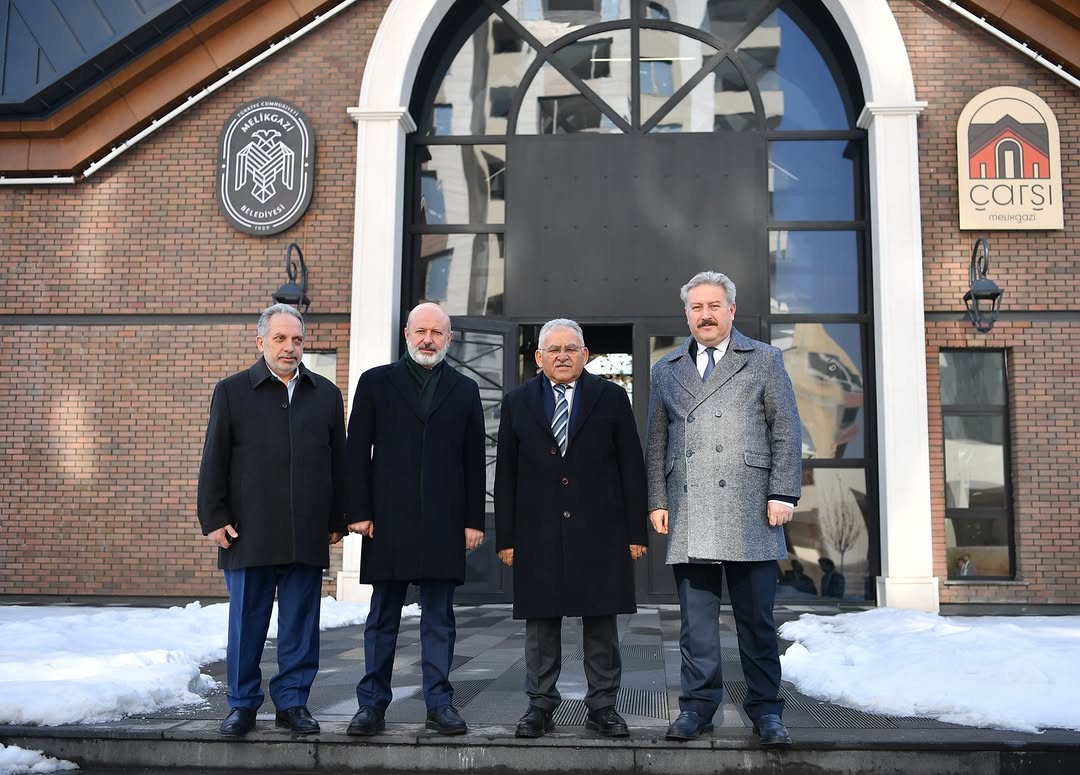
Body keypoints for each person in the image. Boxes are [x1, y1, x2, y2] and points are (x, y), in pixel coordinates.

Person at [645, 271, 802, 747]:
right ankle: (696, 708)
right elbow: (657, 440)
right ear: (687, 314)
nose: (705, 315)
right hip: (691, 509)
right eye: (696, 307)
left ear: (731, 311)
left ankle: (767, 711)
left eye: (714, 306)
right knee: (696, 627)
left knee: (756, 622)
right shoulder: (666, 367)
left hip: (752, 509)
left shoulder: (765, 360)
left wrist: (783, 493)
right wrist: (657, 498)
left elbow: (786, 431)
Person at [494, 319, 649, 739]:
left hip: (601, 531)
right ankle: (539, 706)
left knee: (601, 621)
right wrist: (505, 537)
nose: (563, 355)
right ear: (539, 357)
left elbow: (631, 468)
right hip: (536, 532)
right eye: (554, 349)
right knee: (541, 625)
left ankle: (603, 706)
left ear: (585, 355)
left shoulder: (612, 398)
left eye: (571, 348)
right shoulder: (518, 402)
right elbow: (505, 474)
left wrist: (636, 531)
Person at [197, 303, 346, 737]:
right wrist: (214, 516)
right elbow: (214, 459)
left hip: (307, 531)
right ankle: (241, 705)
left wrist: (338, 517)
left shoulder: (326, 394)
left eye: (297, 339)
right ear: (261, 342)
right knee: (247, 624)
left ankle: (293, 703)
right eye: (280, 339)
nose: (290, 347)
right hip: (249, 531)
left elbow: (339, 461)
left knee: (301, 625)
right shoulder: (232, 391)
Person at [344, 302, 485, 737]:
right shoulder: (375, 383)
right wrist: (358, 511)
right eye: (421, 331)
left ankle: (439, 704)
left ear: (449, 339)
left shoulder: (464, 390)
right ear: (406, 334)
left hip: (444, 523)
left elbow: (474, 460)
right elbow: (355, 452)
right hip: (387, 520)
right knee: (382, 618)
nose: (428, 339)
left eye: (437, 333)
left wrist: (473, 520)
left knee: (440, 619)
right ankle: (371, 706)